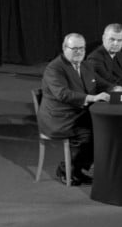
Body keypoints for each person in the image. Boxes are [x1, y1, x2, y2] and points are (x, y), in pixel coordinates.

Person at [37, 33, 111, 185]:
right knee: (90, 134)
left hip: (78, 113)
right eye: (74, 48)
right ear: (65, 48)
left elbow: (99, 83)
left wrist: (114, 88)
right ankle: (67, 169)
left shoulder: (85, 65)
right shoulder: (54, 68)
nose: (79, 52)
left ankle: (77, 168)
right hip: (59, 118)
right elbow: (63, 94)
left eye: (82, 48)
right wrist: (92, 98)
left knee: (106, 129)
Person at [89, 23, 122, 89]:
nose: (116, 43)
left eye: (119, 40)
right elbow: (111, 81)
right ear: (103, 38)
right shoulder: (95, 58)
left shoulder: (120, 55)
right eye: (112, 39)